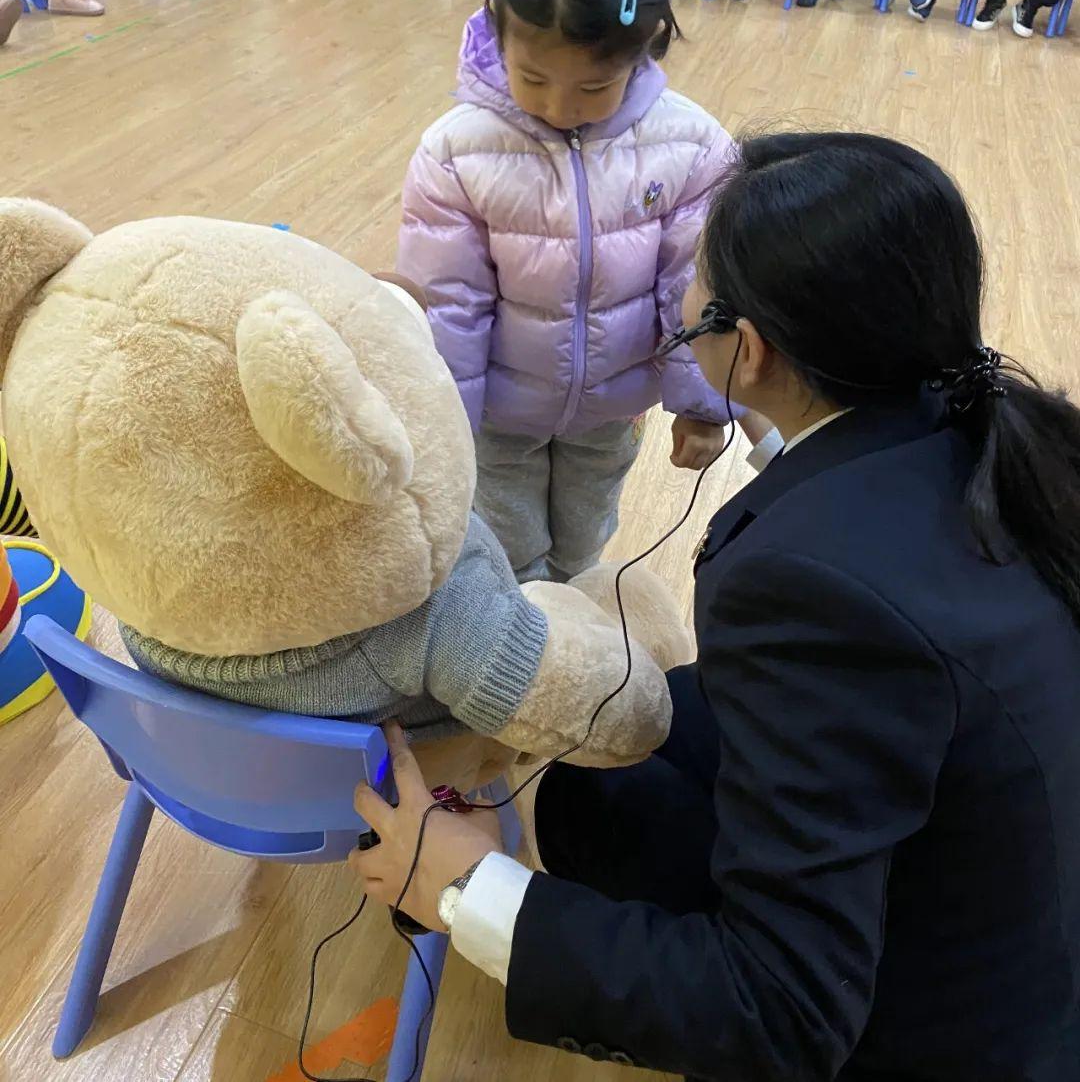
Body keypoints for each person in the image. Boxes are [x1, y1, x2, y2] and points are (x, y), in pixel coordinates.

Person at [358, 129, 1080, 1082]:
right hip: (1005, 884)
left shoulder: (818, 588)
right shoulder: (986, 436)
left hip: (944, 1028)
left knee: (590, 806)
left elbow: (781, 1011)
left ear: (750, 347)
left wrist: (464, 887)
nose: (681, 296)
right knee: (590, 786)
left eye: (694, 280)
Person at [397, 0, 743, 585]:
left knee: (584, 546)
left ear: (642, 50)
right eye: (533, 79)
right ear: (497, 32)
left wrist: (703, 403)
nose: (558, 107)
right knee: (509, 555)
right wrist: (443, 430)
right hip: (500, 415)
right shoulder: (456, 151)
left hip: (613, 408)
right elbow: (449, 304)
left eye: (593, 87)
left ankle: (571, 613)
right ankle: (527, 642)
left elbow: (694, 287)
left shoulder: (691, 144)